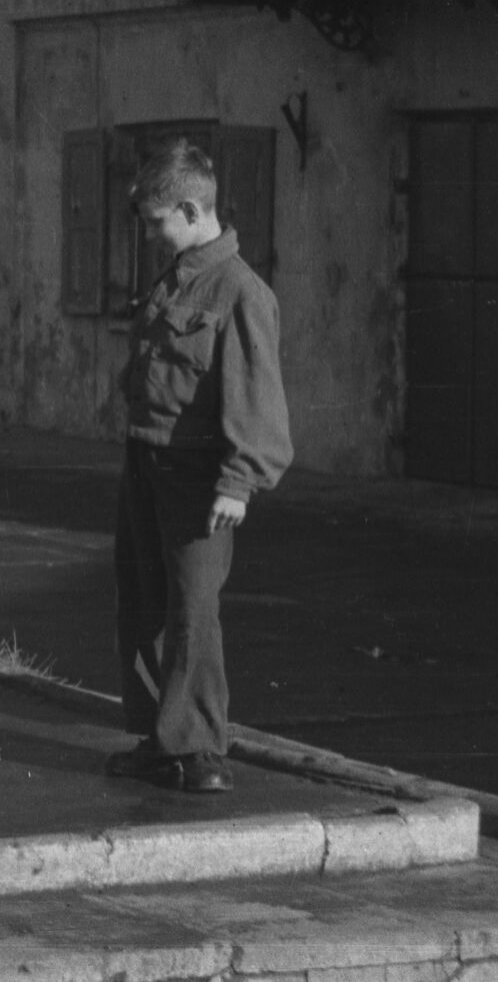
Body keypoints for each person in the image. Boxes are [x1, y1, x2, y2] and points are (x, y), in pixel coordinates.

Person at [107, 138, 292, 795]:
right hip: (147, 462)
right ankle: (160, 741)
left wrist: (240, 480)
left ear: (191, 208)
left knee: (192, 610)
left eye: (158, 221)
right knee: (144, 601)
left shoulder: (242, 290)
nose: (151, 235)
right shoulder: (175, 275)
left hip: (199, 476)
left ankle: (203, 749)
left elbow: (257, 393)